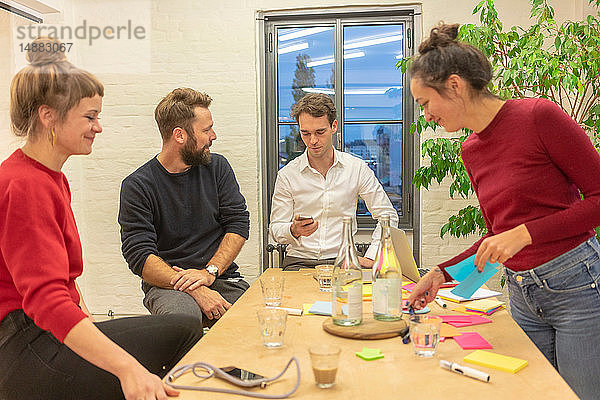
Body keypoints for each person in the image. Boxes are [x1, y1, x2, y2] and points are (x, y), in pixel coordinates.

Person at [0, 37, 202, 400]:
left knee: (182, 328)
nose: (99, 127)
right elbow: (46, 299)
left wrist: (92, 327)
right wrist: (128, 368)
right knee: (176, 335)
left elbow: (64, 282)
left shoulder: (50, 177)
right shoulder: (24, 185)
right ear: (49, 116)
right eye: (90, 117)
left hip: (40, 333)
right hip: (23, 345)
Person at [406, 24, 600, 399]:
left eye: (426, 103)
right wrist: (442, 273)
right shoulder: (471, 151)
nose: (426, 115)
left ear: (456, 85)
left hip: (578, 286)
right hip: (522, 292)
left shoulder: (539, 117)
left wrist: (527, 234)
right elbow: (499, 237)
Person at [119, 88, 250, 327]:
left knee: (253, 314)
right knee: (182, 323)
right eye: (206, 130)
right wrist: (194, 289)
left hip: (218, 275)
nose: (214, 136)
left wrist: (209, 272)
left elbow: (238, 224)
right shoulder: (137, 186)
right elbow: (139, 256)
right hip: (167, 284)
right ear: (179, 135)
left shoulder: (217, 167)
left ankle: (227, 367)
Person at [269, 93, 398, 270]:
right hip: (299, 261)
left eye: (320, 132)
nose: (312, 141)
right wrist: (293, 230)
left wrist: (372, 255)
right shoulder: (288, 175)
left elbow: (387, 215)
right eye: (305, 133)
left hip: (344, 260)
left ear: (334, 126)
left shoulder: (356, 168)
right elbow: (276, 228)